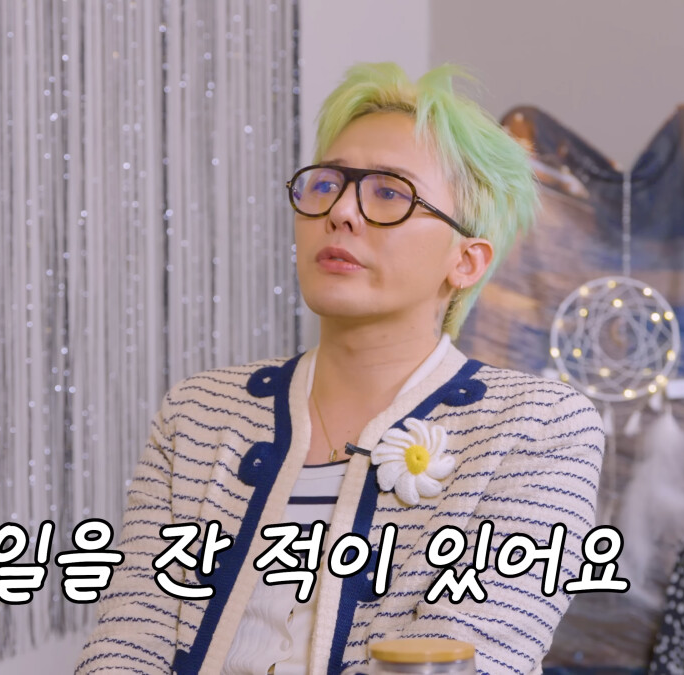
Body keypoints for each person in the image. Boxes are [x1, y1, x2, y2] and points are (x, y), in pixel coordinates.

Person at [75, 62, 605, 675]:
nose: (341, 212)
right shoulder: (199, 410)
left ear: (466, 261)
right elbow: (125, 645)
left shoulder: (540, 427)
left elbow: (465, 660)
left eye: (389, 193)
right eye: (326, 184)